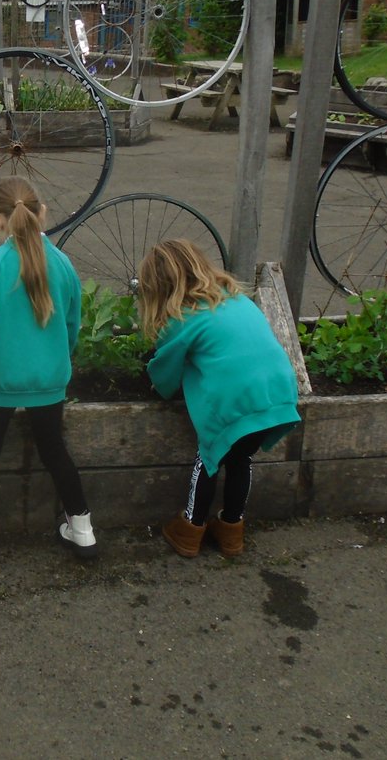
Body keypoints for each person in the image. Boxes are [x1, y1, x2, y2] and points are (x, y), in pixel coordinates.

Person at [0, 176, 96, 569]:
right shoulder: (62, 264)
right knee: (56, 452)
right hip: (48, 381)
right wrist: (58, 362)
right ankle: (83, 530)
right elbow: (71, 326)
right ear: (42, 212)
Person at [138, 239, 301, 558]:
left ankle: (189, 529)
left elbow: (165, 374)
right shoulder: (238, 299)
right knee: (241, 459)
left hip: (235, 401)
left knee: (209, 460)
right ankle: (231, 531)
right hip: (276, 393)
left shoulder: (183, 317)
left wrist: (157, 381)